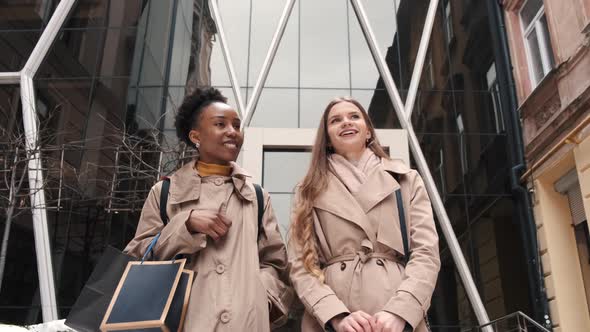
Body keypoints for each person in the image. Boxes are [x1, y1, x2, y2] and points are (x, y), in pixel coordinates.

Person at [125, 87, 292, 331]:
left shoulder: (256, 196)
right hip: (186, 323)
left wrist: (261, 299)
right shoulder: (164, 193)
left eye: (236, 125)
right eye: (220, 124)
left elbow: (275, 263)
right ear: (196, 136)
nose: (232, 132)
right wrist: (186, 225)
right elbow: (137, 256)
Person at [288, 97, 440, 332]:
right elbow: (301, 264)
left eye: (354, 116)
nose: (346, 122)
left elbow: (426, 253)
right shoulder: (308, 189)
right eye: (335, 120)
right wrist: (336, 316)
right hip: (334, 317)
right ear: (327, 138)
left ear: (368, 131)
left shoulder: (406, 179)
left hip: (393, 313)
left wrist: (400, 312)